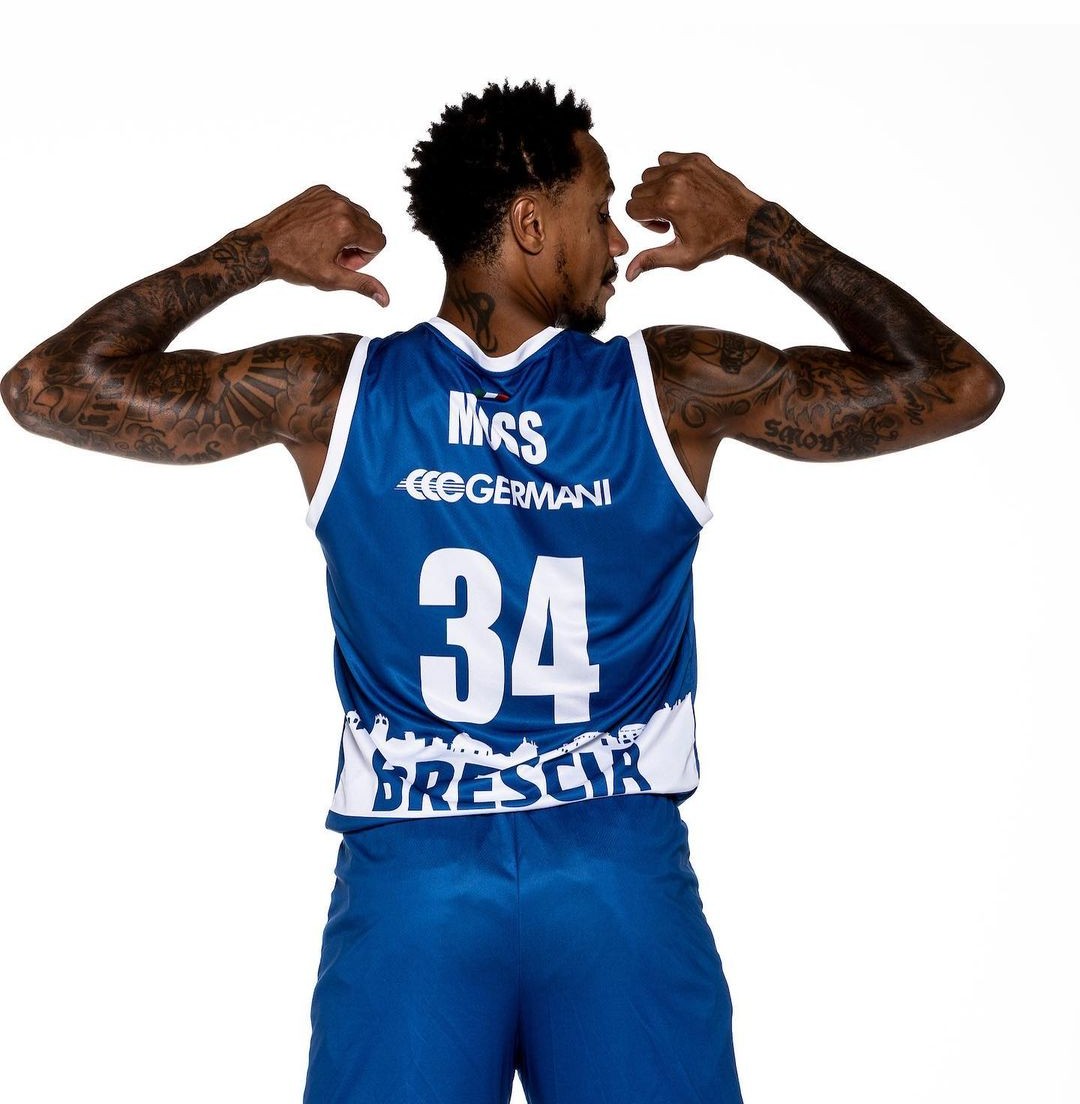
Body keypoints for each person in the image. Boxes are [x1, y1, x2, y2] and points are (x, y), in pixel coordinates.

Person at [1, 80, 1003, 1104]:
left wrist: (255, 251)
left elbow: (47, 387)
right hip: (616, 880)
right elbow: (957, 382)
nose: (616, 241)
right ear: (530, 224)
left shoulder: (330, 393)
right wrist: (758, 231)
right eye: (597, 210)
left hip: (414, 882)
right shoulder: (678, 388)